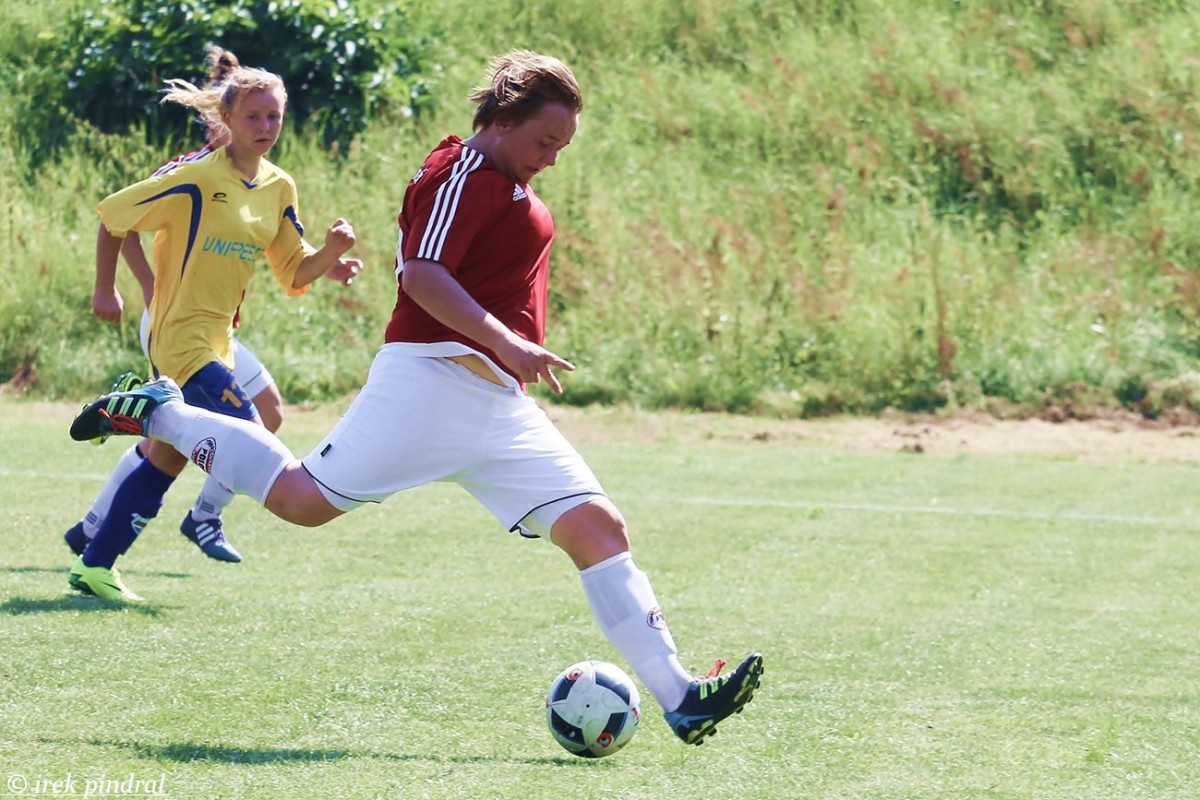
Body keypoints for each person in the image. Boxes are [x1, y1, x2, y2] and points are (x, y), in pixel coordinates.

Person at [70, 49, 762, 746]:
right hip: (429, 383)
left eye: (562, 147)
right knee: (302, 501)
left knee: (599, 529)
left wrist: (509, 354)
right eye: (545, 141)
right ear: (503, 119)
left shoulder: (505, 181)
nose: (552, 158)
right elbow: (422, 273)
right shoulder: (460, 171)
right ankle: (161, 412)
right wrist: (511, 342)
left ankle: (681, 699)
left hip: (498, 407)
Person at [67, 57, 360, 599]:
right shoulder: (197, 177)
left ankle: (95, 563)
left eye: (274, 117)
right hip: (179, 335)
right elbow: (113, 217)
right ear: (227, 118)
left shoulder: (279, 186)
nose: (266, 127)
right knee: (249, 431)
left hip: (220, 341)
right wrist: (106, 289)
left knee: (169, 457)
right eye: (253, 117)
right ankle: (145, 421)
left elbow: (294, 272)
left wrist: (331, 252)